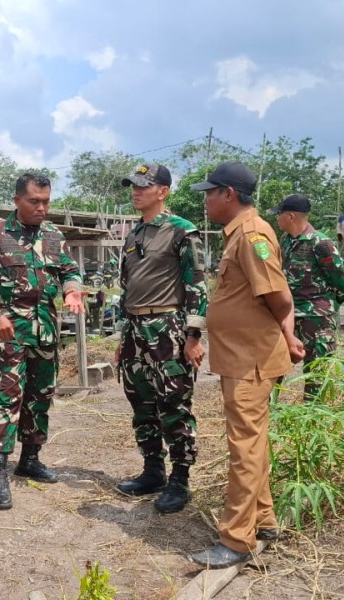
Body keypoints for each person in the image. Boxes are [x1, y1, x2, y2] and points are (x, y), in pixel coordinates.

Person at [188, 161, 305, 569]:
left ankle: (237, 539)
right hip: (242, 356)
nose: (205, 200)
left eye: (209, 192)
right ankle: (264, 520)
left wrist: (285, 334)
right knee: (252, 443)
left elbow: (279, 296)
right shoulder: (239, 233)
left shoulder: (252, 234)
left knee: (244, 448)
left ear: (229, 194)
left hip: (250, 360)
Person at [0, 172, 85, 510]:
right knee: (5, 399)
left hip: (45, 332)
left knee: (40, 397)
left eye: (46, 201)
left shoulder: (54, 236)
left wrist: (72, 289)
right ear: (17, 200)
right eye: (35, 201)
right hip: (9, 334)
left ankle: (30, 459)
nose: (42, 208)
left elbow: (69, 271)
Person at [113, 163, 207, 515]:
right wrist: (124, 336)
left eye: (143, 185)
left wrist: (193, 336)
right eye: (133, 186)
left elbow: (198, 285)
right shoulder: (134, 233)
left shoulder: (182, 231)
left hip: (167, 328)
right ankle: (153, 471)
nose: (136, 191)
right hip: (136, 330)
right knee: (142, 404)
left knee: (174, 405)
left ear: (162, 191)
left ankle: (180, 480)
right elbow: (127, 287)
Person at [271, 194, 344, 400]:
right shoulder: (286, 241)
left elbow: (340, 282)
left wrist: (325, 308)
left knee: (316, 373)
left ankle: (313, 421)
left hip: (317, 319)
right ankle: (269, 415)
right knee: (274, 367)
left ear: (290, 216)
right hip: (288, 315)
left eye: (278, 214)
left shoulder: (320, 243)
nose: (276, 218)